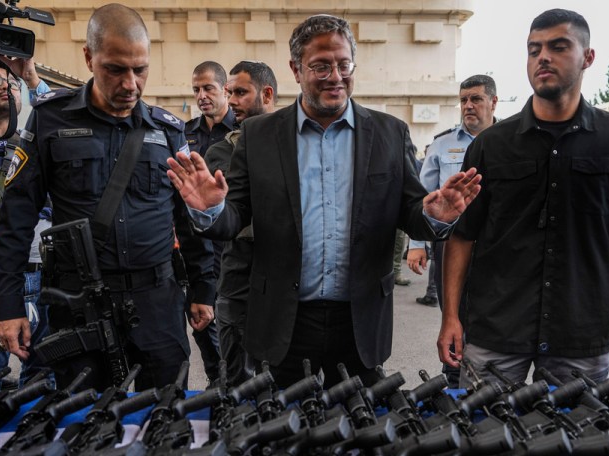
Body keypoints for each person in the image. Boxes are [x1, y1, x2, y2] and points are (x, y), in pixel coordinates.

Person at [167, 14, 482, 389]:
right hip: (284, 318)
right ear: (296, 69)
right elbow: (233, 220)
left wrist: (435, 216)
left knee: (359, 431)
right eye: (320, 66)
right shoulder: (259, 135)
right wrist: (210, 208)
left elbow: (411, 214)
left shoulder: (388, 133)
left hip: (359, 318)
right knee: (284, 431)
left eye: (343, 64)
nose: (335, 75)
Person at [0, 3, 216, 391]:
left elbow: (187, 219)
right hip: (79, 305)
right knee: (82, 428)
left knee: (164, 421)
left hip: (157, 304)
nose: (130, 83)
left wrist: (203, 288)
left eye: (140, 70)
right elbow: (16, 217)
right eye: (115, 69)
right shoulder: (50, 119)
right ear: (89, 57)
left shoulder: (168, 131)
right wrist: (8, 306)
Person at [439, 8, 609, 386]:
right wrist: (450, 316)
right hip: (496, 330)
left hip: (580, 333)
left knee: (575, 441)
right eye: (533, 49)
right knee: (486, 439)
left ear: (588, 57)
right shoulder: (491, 145)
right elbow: (463, 236)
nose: (542, 57)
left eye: (559, 47)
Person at [407, 75, 498, 385]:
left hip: (500, 246)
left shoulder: (510, 141)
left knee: (496, 315)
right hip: (453, 243)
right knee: (454, 312)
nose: (468, 106)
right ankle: (454, 373)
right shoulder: (443, 144)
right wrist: (416, 244)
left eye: (476, 99)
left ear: (493, 102)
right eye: (463, 100)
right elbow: (424, 197)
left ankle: (493, 375)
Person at [0, 55, 50, 392]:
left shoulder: (36, 146)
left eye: (13, 83)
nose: (6, 85)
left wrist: (32, 77)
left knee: (43, 365)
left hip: (36, 270)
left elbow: (56, 106)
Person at [204, 59, 277, 385]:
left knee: (287, 383)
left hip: (286, 279)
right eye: (230, 92)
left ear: (268, 94)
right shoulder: (220, 152)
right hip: (237, 278)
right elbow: (208, 228)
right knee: (237, 380)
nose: (231, 101)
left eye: (241, 92)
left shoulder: (299, 145)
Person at [183, 61, 236, 383]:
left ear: (224, 89)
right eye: (196, 90)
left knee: (231, 336)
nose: (202, 96)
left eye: (208, 89)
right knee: (202, 330)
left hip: (229, 250)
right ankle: (218, 388)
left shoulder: (243, 133)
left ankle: (232, 391)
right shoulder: (185, 133)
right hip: (192, 251)